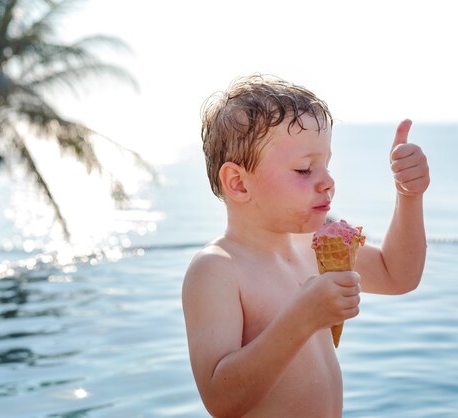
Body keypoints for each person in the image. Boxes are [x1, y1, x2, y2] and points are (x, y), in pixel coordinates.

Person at [182, 74, 430, 417]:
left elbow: (397, 275)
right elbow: (220, 401)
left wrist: (409, 196)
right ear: (238, 184)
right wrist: (302, 319)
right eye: (303, 169)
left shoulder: (318, 240)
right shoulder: (217, 269)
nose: (328, 181)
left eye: (326, 164)